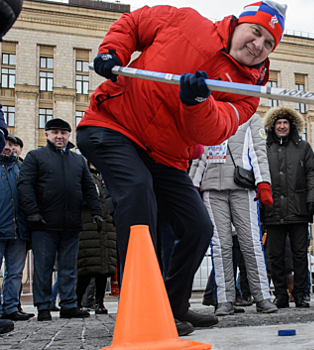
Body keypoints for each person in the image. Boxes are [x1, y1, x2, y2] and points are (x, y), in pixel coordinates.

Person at [75, 0, 287, 333]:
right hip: (112, 125)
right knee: (136, 192)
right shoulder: (186, 21)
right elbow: (135, 23)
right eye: (256, 32)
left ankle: (173, 306)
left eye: (269, 43)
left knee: (198, 226)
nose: (258, 45)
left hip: (166, 154)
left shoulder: (247, 93)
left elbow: (213, 129)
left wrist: (198, 102)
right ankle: (142, 305)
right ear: (239, 24)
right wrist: (113, 52)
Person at [189, 114, 277, 315]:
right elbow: (199, 154)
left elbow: (258, 152)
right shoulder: (208, 113)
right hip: (211, 188)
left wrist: (263, 182)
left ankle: (262, 296)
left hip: (242, 187)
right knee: (221, 246)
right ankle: (225, 299)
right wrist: (193, 183)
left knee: (251, 242)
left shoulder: (250, 118)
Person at [18, 119, 102, 321]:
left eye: (64, 133)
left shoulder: (78, 161)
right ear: (47, 134)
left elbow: (89, 188)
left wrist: (96, 212)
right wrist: (32, 212)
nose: (59, 136)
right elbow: (25, 185)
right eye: (55, 132)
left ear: (68, 136)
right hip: (43, 224)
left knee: (69, 267)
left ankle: (68, 305)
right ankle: (44, 307)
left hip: (71, 223)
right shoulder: (35, 156)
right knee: (43, 268)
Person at [262, 106, 314, 308]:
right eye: (278, 123)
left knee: (299, 256)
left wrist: (313, 199)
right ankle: (280, 295)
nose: (282, 126)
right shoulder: (265, 147)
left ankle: (301, 294)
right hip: (273, 209)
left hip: (298, 209)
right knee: (276, 256)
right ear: (273, 126)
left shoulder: (303, 147)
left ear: (291, 125)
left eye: (285, 122)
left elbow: (313, 174)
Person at [76, 163, 117, 315]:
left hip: (107, 228)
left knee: (104, 270)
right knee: (86, 268)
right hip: (90, 227)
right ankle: (78, 301)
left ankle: (99, 302)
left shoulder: (107, 177)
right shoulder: (85, 177)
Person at [0, 135, 31, 321]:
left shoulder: (20, 168)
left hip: (18, 230)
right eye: (5, 143)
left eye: (11, 144)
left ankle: (11, 308)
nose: (8, 147)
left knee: (15, 273)